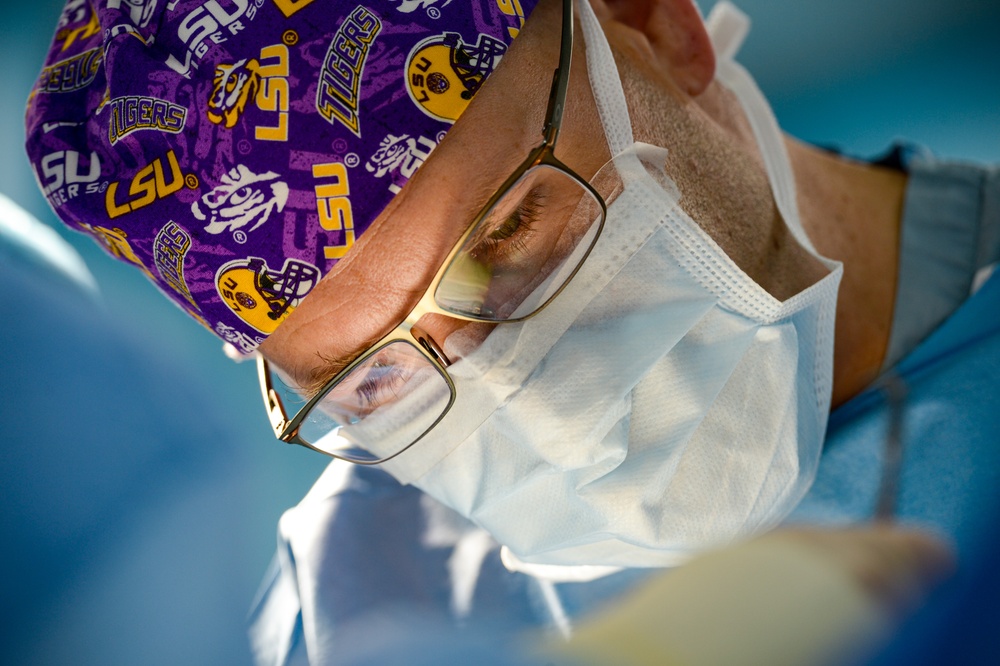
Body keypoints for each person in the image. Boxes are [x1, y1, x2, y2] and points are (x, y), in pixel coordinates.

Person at [24, 0, 997, 663]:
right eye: (377, 381)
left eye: (511, 241)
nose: (548, 415)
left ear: (654, 25)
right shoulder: (356, 596)